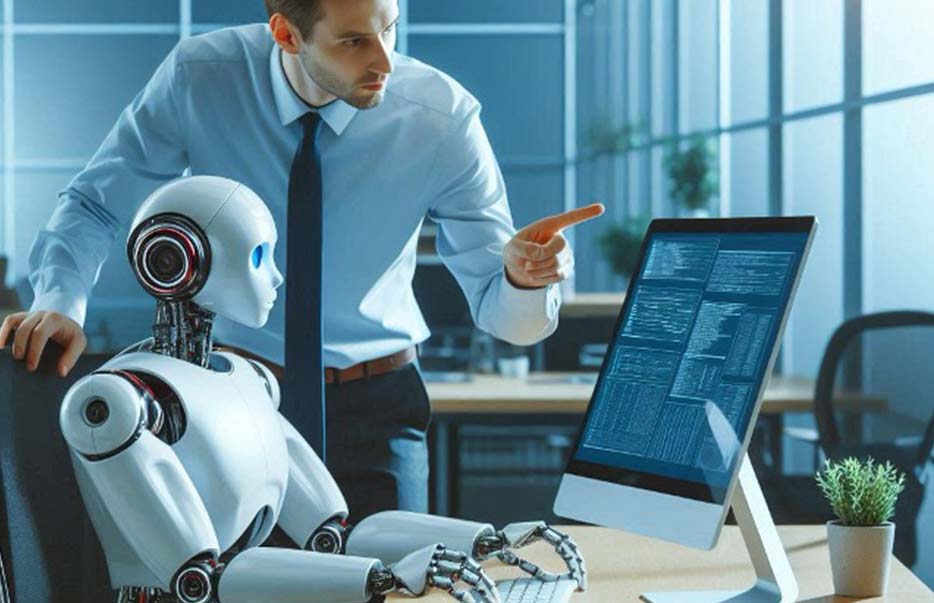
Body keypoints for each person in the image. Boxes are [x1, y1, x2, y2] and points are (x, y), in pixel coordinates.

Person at [0, 0, 603, 522]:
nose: (385, 61)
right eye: (354, 41)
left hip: (378, 408)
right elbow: (94, 204)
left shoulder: (441, 121)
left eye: (389, 28)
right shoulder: (200, 79)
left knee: (390, 590)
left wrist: (525, 279)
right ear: (286, 34)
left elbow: (510, 322)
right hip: (228, 399)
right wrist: (60, 301)